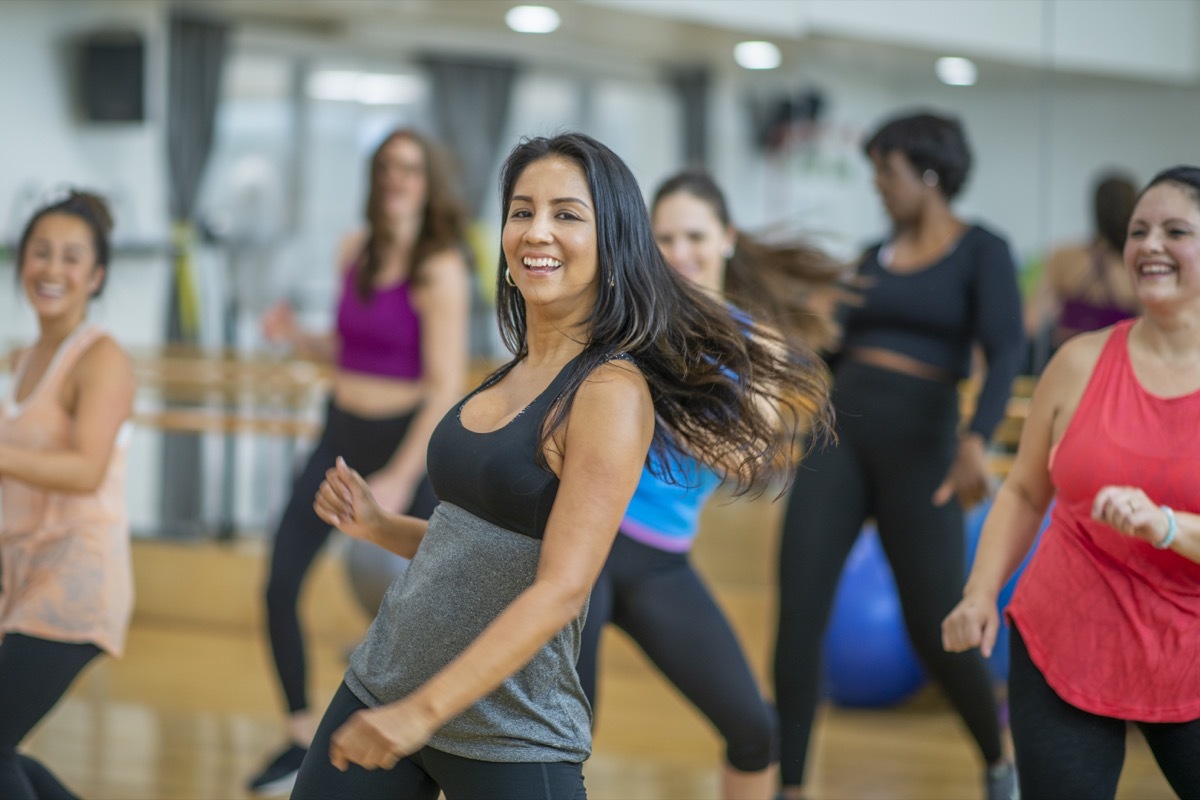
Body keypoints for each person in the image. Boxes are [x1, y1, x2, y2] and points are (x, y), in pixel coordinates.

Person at [289, 132, 834, 800]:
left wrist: (417, 715)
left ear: (611, 244)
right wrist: (379, 526)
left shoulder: (608, 391)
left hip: (502, 727)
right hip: (384, 681)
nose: (536, 230)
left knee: (745, 726)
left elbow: (560, 589)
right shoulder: (513, 371)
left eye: (566, 214)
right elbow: (480, 549)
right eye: (521, 211)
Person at [773, 110, 1025, 800]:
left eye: (885, 171)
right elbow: (827, 353)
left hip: (926, 448)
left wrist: (978, 437)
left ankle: (995, 756)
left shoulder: (983, 251)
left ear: (929, 174)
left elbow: (1006, 349)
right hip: (841, 436)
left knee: (932, 622)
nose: (877, 185)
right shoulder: (866, 259)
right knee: (799, 610)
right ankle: (790, 785)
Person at [575, 169, 844, 800]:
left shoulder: (761, 346)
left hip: (662, 561)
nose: (678, 252)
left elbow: (749, 460)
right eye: (662, 238)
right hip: (583, 545)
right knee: (564, 738)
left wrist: (654, 393)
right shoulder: (622, 317)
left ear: (725, 237)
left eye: (694, 234)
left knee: (756, 732)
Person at [943, 165, 1200, 800]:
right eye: (1139, 230)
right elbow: (1027, 490)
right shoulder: (1079, 362)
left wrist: (1164, 526)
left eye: (1176, 230)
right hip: (1065, 634)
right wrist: (979, 593)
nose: (1150, 245)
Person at [248, 128, 472, 795]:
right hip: (339, 434)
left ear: (428, 182)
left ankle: (425, 744)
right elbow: (353, 348)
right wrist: (299, 338)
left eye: (409, 168)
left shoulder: (441, 268)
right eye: (386, 168)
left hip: (410, 444)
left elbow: (445, 384)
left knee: (422, 611)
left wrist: (403, 475)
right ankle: (296, 735)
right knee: (280, 580)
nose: (396, 179)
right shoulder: (356, 250)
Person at [0, 191, 135, 800]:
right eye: (40, 253)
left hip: (77, 579)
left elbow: (85, 469)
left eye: (71, 258)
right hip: (23, 574)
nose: (52, 269)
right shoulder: (22, 358)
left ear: (96, 276)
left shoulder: (102, 359)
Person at [1023, 171, 1139, 367]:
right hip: (1118, 368)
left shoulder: (1064, 257)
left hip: (1067, 365)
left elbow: (1031, 322)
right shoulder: (1136, 265)